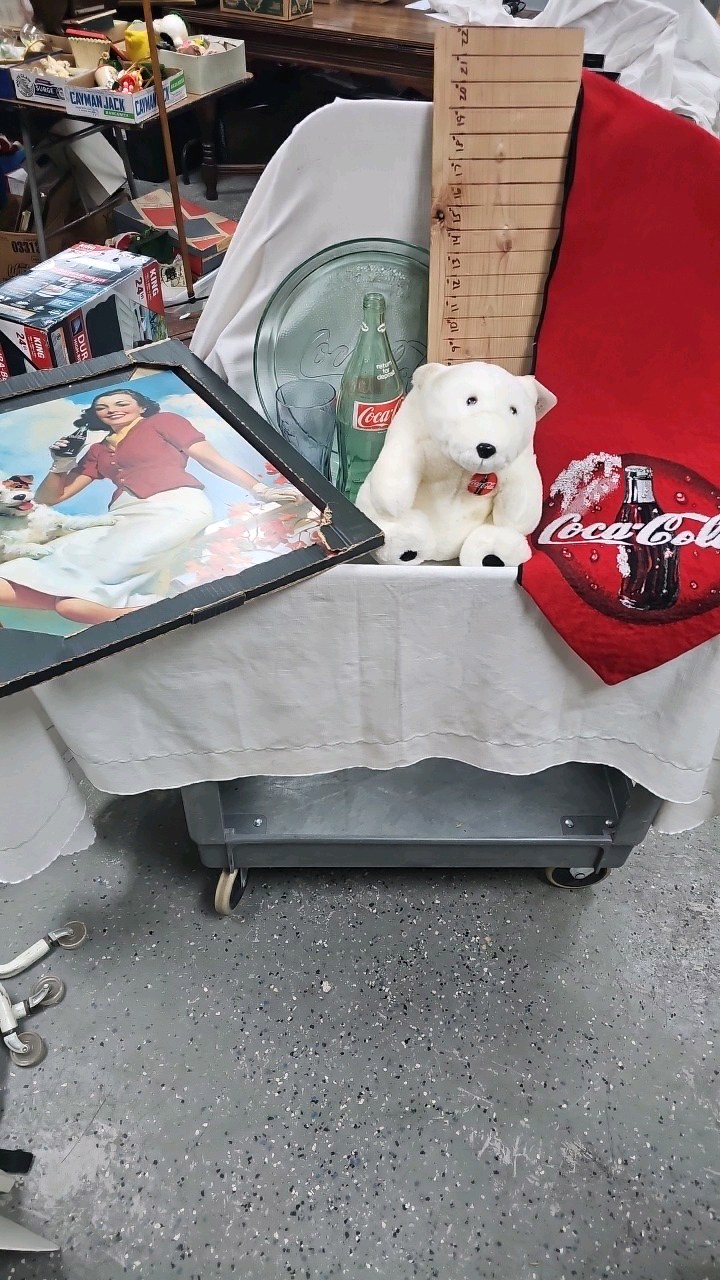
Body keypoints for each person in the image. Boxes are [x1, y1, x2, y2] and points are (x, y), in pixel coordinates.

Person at [0, 386, 302, 626]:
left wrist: (259, 488)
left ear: (141, 406)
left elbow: (210, 459)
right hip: (120, 517)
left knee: (82, 588)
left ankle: (137, 609)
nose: (111, 410)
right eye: (102, 407)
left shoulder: (164, 422)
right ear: (96, 416)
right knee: (28, 582)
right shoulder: (96, 449)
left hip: (173, 506)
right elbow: (50, 498)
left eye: (121, 403)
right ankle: (102, 608)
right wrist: (60, 464)